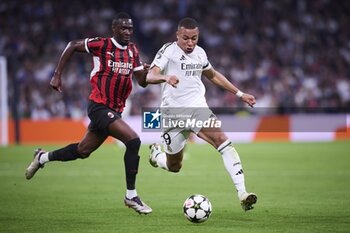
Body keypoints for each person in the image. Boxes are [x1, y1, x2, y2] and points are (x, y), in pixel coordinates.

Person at [25, 12, 152, 214]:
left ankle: (42, 158)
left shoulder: (133, 51)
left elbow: (142, 83)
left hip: (115, 109)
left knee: (83, 151)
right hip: (99, 105)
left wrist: (145, 72)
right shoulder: (102, 45)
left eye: (130, 28)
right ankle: (131, 196)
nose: (128, 32)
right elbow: (72, 45)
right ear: (114, 29)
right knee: (134, 141)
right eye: (124, 28)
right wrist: (57, 75)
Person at [146, 18, 257, 211]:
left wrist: (240, 94)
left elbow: (213, 75)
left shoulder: (200, 54)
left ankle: (243, 193)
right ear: (177, 36)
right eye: (186, 38)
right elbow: (150, 75)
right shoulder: (168, 51)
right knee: (175, 166)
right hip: (172, 114)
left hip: (198, 110)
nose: (190, 43)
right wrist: (165, 76)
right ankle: (157, 156)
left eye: (194, 38)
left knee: (223, 140)